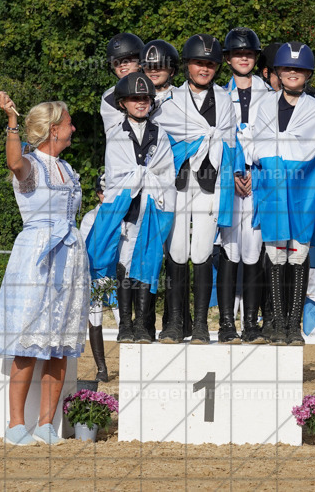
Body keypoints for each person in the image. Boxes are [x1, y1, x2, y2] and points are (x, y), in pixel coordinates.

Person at [0, 92, 91, 446]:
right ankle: (16, 425)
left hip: (69, 258)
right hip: (36, 256)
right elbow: (14, 163)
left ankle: (47, 424)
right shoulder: (30, 164)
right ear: (52, 130)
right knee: (27, 341)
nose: (73, 128)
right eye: (67, 123)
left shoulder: (69, 169)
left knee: (61, 343)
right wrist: (12, 123)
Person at [154, 34, 237, 344]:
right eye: (199, 63)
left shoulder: (225, 100)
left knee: (202, 249)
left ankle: (201, 323)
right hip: (178, 180)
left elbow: (228, 141)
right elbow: (161, 143)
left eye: (210, 64)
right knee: (175, 248)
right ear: (187, 65)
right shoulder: (169, 101)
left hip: (210, 180)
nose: (205, 69)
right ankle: (175, 322)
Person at [251, 41, 315, 345]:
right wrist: (274, 157)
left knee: (297, 252)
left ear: (307, 74)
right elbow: (258, 143)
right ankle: (274, 321)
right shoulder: (265, 106)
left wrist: (279, 152)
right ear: (278, 73)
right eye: (287, 69)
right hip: (271, 186)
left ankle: (292, 323)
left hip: (303, 188)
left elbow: (313, 148)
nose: (292, 73)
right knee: (274, 252)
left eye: (299, 69)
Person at [90, 73, 176, 345]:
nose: (140, 103)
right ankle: (125, 324)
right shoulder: (115, 135)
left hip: (151, 207)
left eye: (145, 98)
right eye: (135, 98)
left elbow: (164, 172)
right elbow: (117, 174)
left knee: (148, 263)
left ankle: (142, 324)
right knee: (124, 265)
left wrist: (145, 177)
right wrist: (139, 176)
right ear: (123, 103)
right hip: (126, 208)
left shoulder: (160, 135)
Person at [219, 28, 269, 343]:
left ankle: (251, 323)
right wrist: (233, 173)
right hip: (228, 182)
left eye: (249, 54)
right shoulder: (218, 95)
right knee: (229, 247)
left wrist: (256, 171)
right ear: (227, 59)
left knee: (254, 250)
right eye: (238, 54)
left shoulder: (270, 94)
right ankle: (226, 324)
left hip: (260, 179)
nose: (243, 58)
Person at [79, 175, 114, 382]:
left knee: (122, 317)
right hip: (96, 276)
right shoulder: (90, 218)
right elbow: (83, 247)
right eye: (102, 191)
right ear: (98, 194)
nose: (105, 195)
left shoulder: (123, 214)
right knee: (96, 319)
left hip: (115, 276)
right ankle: (102, 368)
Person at [101, 32, 145, 132]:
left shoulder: (155, 88)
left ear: (140, 62)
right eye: (116, 62)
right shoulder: (110, 97)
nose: (121, 65)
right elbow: (114, 133)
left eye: (127, 60)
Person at [142, 39, 180, 104]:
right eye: (149, 66)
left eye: (159, 66)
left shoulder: (180, 97)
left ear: (172, 71)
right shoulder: (136, 98)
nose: (153, 70)